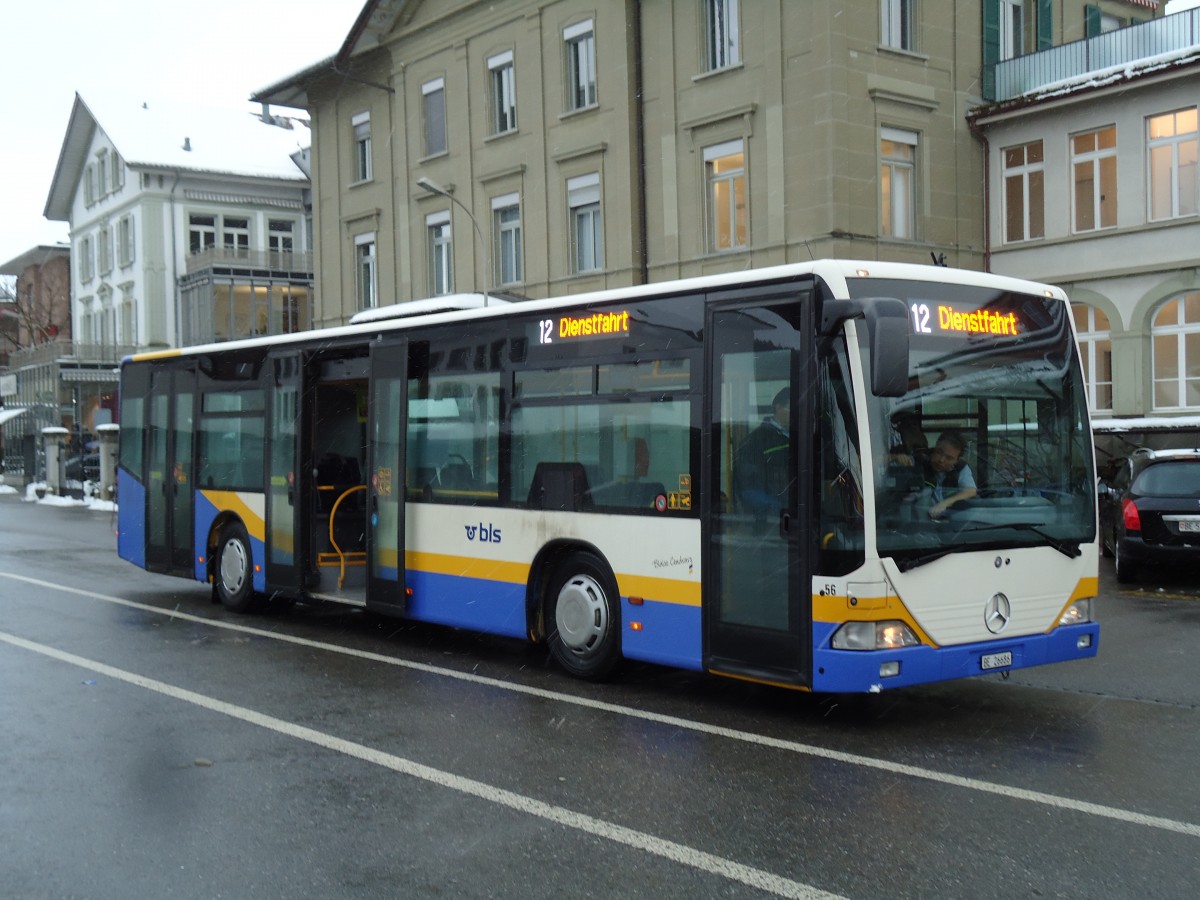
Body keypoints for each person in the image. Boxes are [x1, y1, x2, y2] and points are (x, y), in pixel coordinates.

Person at [734, 388, 792, 523]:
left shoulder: (800, 436)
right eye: (791, 408)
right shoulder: (756, 440)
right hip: (772, 520)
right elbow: (747, 486)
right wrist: (775, 506)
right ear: (778, 408)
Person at [915, 430, 977, 519]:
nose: (941, 460)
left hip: (949, 520)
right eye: (939, 452)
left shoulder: (960, 467)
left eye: (949, 458)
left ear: (956, 460)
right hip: (920, 519)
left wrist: (945, 503)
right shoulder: (919, 460)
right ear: (936, 445)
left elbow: (970, 491)